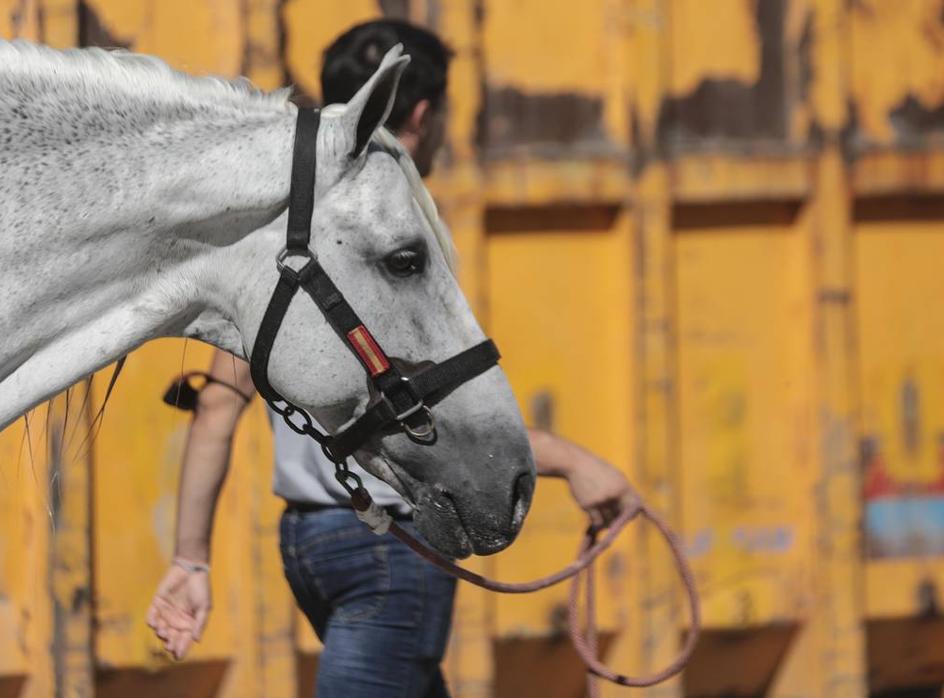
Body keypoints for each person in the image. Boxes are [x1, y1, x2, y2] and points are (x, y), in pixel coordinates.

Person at [146, 19, 638, 698]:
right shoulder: (396, 234)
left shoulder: (294, 225)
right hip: (387, 542)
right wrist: (577, 461)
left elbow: (218, 409)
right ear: (425, 114)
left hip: (309, 541)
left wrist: (191, 559)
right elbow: (431, 411)